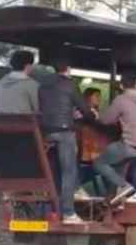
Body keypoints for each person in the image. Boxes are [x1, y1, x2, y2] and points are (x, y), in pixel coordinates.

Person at [38, 59, 97, 225]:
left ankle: (50, 209)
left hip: (46, 133)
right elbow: (83, 108)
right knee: (68, 171)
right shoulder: (69, 84)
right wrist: (92, 116)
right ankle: (69, 212)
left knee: (54, 170)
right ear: (68, 69)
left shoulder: (42, 84)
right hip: (65, 132)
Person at [94, 75, 136, 204]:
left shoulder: (121, 99)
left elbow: (106, 120)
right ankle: (116, 199)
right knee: (118, 164)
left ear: (121, 86)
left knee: (99, 163)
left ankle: (124, 186)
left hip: (129, 148)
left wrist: (97, 116)